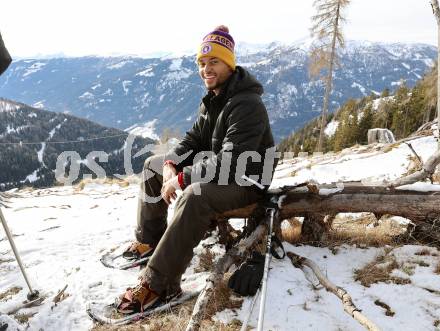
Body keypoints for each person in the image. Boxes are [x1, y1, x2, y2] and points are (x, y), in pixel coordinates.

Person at [117, 25, 277, 313]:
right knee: (152, 166)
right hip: (222, 170)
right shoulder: (215, 98)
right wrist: (170, 165)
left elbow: (232, 160)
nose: (206, 69)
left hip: (247, 179)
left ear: (229, 63)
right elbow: (194, 140)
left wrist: (181, 178)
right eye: (202, 63)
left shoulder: (246, 104)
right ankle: (150, 241)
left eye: (213, 62)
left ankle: (159, 283)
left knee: (194, 195)